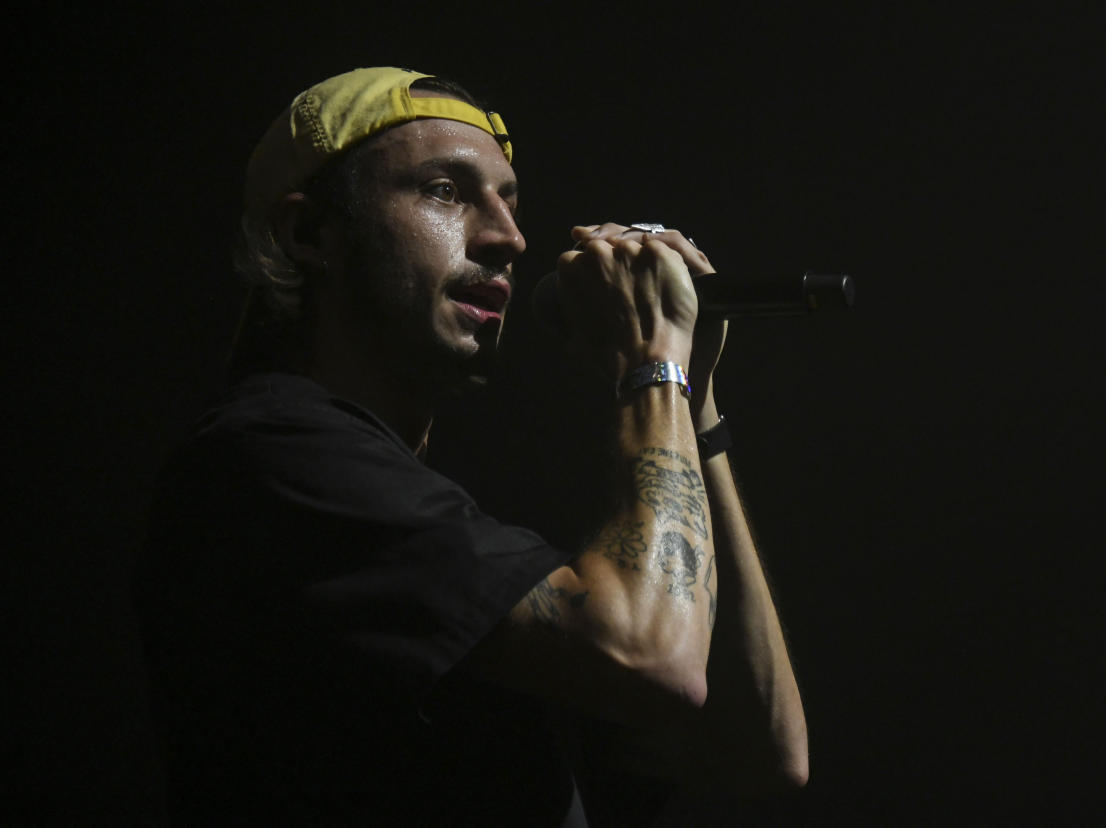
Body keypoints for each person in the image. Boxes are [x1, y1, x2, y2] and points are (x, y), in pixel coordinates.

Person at [136, 66, 807, 826]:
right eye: (444, 191)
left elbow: (761, 751)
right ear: (309, 233)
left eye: (508, 201)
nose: (508, 238)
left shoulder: (421, 523)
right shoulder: (269, 461)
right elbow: (649, 656)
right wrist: (654, 358)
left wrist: (694, 396)